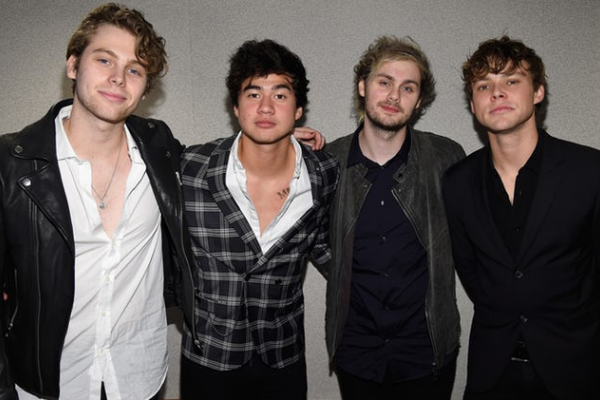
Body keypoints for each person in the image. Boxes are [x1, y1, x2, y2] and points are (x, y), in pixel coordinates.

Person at [0, 3, 199, 399]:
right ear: (73, 65)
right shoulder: (11, 163)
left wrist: (276, 141)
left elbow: (220, 164)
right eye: (104, 59)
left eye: (135, 70)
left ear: (145, 88)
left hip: (138, 375)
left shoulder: (161, 149)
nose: (118, 78)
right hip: (48, 383)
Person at [179, 39, 339, 400]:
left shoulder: (325, 172)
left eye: (280, 95)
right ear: (236, 107)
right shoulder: (190, 167)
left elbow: (327, 246)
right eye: (253, 94)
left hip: (283, 354)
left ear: (298, 110)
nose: (266, 107)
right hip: (209, 354)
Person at [443, 36, 600, 400]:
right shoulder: (456, 182)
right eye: (484, 86)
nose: (497, 92)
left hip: (576, 372)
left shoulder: (590, 171)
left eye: (512, 80)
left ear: (538, 92)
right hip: (492, 373)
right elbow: (471, 271)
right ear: (473, 104)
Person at [324, 36, 465, 399]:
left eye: (408, 87)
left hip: (427, 351)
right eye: (384, 82)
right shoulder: (328, 163)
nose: (393, 96)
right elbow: (309, 239)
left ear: (419, 101)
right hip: (357, 351)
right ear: (363, 86)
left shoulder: (447, 158)